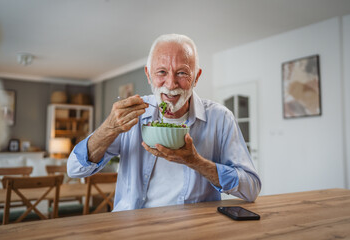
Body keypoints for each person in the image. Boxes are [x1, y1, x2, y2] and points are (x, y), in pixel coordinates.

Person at [67, 34, 261, 211]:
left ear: (197, 77)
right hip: (131, 228)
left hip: (195, 230)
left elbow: (251, 188)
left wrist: (195, 162)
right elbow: (75, 169)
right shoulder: (131, 114)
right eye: (161, 72)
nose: (170, 84)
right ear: (148, 74)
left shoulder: (220, 118)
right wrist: (108, 128)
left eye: (182, 73)